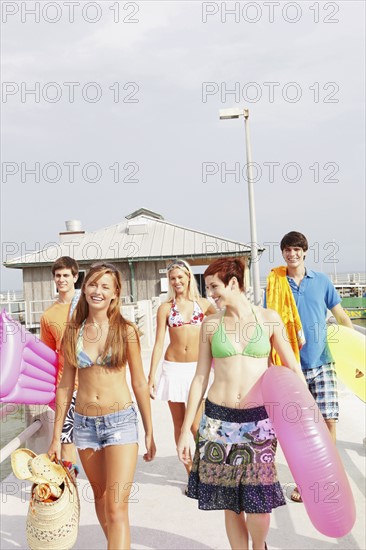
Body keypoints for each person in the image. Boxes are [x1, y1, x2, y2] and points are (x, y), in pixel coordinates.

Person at [177, 258, 305, 550]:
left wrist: (308, 408)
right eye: (208, 287)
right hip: (217, 422)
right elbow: (199, 378)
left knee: (258, 502)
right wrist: (186, 429)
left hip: (259, 421)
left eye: (214, 287)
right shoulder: (210, 325)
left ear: (233, 283)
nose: (210, 293)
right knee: (229, 502)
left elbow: (293, 367)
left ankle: (259, 546)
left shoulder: (269, 318)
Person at [48, 262, 156, 550]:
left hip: (120, 423)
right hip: (84, 426)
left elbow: (140, 383)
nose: (97, 290)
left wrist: (149, 430)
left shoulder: (126, 330)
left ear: (115, 293)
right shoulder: (73, 331)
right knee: (100, 499)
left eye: (105, 286)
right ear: (85, 288)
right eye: (93, 284)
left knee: (117, 509)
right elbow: (64, 386)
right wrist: (57, 436)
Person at [266, 231, 353, 503]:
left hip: (322, 361)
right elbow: (268, 323)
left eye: (296, 249)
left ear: (304, 252)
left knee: (328, 420)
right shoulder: (276, 283)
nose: (292, 254)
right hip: (290, 366)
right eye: (287, 250)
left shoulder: (322, 281)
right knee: (298, 428)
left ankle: (329, 477)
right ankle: (305, 482)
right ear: (282, 253)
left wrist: (354, 356)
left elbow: (341, 318)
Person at [148, 259, 216, 477]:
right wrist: (152, 376)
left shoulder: (205, 305)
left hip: (198, 370)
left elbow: (224, 328)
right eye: (172, 278)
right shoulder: (165, 308)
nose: (177, 281)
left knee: (197, 426)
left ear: (189, 278)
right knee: (178, 424)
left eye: (180, 277)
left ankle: (206, 469)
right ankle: (191, 473)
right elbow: (159, 342)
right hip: (173, 369)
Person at [40, 256, 81, 464]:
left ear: (75, 277)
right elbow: (48, 356)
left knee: (96, 442)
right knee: (66, 441)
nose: (62, 279)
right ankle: (71, 489)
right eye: (58, 276)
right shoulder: (48, 315)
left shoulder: (88, 304)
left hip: (93, 383)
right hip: (67, 385)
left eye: (66, 275)